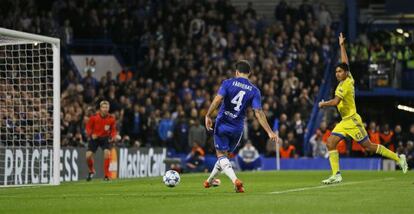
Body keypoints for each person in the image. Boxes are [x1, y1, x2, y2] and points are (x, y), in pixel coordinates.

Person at [318, 33, 408, 184]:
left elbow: (335, 102)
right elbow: (345, 62)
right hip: (345, 121)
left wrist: (323, 104)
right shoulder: (349, 77)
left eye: (340, 71)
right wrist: (341, 46)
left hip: (353, 121)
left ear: (344, 73)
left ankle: (399, 158)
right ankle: (336, 174)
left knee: (369, 146)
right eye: (336, 71)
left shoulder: (344, 85)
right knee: (330, 143)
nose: (337, 73)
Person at [204, 60, 278, 193]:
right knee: (224, 157)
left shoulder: (227, 83)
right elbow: (258, 113)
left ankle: (235, 181)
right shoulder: (255, 91)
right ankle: (209, 181)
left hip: (222, 124)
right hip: (237, 128)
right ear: (249, 73)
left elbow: (217, 100)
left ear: (236, 72)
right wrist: (270, 132)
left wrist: (208, 115)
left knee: (221, 156)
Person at [85, 100, 117, 181]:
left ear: (108, 108)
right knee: (88, 156)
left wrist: (113, 136)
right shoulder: (94, 117)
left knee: (107, 153)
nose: (105, 109)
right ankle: (91, 171)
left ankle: (106, 176)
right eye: (103, 107)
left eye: (106, 107)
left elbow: (113, 130)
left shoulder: (111, 119)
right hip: (95, 138)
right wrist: (91, 134)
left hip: (105, 138)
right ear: (100, 108)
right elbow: (88, 128)